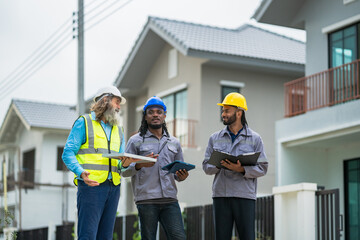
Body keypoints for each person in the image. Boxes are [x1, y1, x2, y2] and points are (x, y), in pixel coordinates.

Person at [62, 86, 127, 240]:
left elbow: (120, 162)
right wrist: (80, 172)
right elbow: (68, 153)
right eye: (117, 102)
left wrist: (126, 163)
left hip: (114, 188)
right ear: (105, 100)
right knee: (88, 236)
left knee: (106, 237)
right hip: (91, 188)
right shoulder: (84, 122)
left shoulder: (119, 129)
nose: (119, 107)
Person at [202, 92, 268, 240]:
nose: (223, 114)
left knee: (247, 237)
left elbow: (263, 167)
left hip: (244, 196)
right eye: (223, 110)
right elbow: (206, 167)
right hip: (221, 196)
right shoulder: (214, 138)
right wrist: (220, 164)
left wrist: (241, 169)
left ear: (239, 113)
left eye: (227, 110)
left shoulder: (255, 139)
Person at [121, 96, 188, 240]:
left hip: (170, 199)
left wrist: (181, 176)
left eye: (159, 111)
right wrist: (139, 165)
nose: (155, 114)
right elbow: (123, 171)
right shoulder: (135, 141)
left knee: (179, 237)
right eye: (151, 112)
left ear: (164, 116)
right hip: (146, 200)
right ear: (145, 116)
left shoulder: (174, 142)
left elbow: (178, 172)